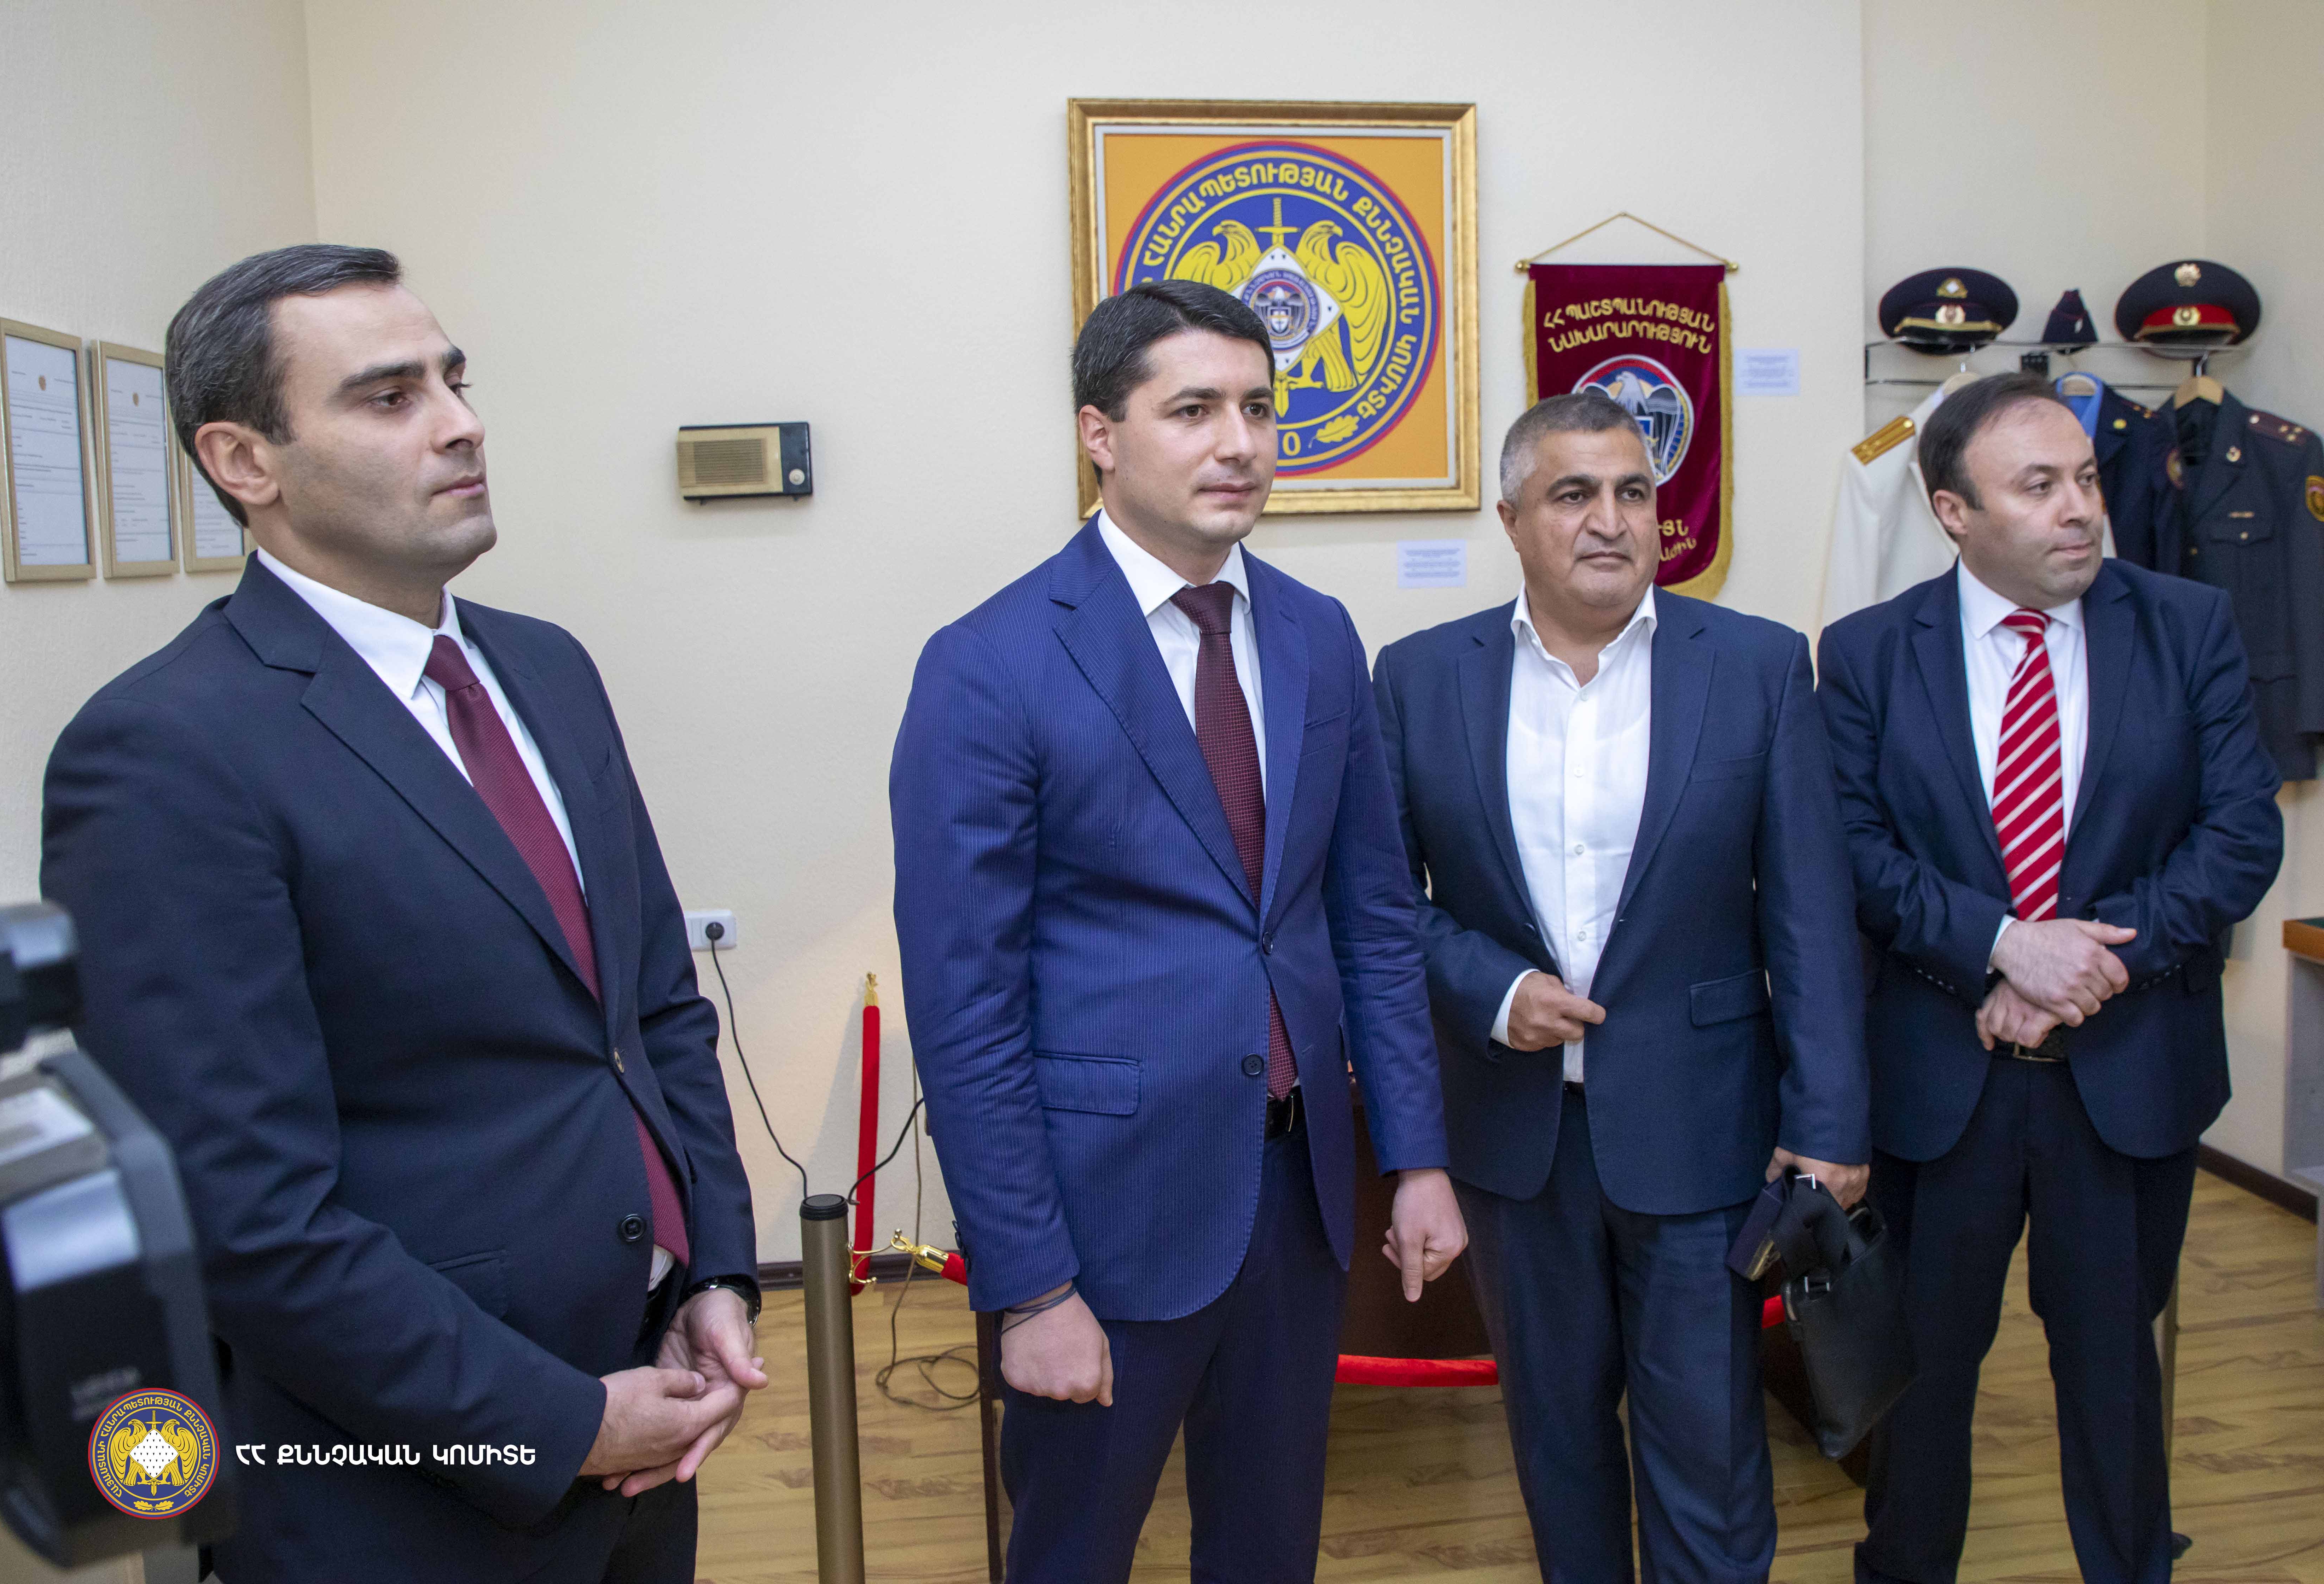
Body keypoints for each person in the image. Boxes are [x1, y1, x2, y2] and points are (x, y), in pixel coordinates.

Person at [40, 245, 763, 1584]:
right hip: (405, 1483)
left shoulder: (547, 667)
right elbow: (241, 1213)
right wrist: (553, 1425)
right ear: (244, 461)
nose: (460, 423)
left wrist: (717, 1272)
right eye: (389, 397)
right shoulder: (164, 752)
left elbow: (655, 1008)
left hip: (650, 1415)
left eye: (454, 380)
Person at [889, 279, 1464, 1582]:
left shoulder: (1319, 636)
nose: (1239, 443)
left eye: (1259, 408)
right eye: (1194, 410)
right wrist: (1031, 1284)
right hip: (1103, 1218)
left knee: (1270, 1550)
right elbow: (966, 1009)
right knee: (1074, 1555)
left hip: (1297, 1199)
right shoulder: (990, 662)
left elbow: (1373, 921)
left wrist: (1418, 1157)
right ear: (1100, 434)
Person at [1372, 391, 1871, 1584]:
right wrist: (1495, 991)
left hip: (1706, 1132)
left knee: (1710, 1455)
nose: (1612, 519)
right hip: (1517, 1139)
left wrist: (1830, 1125)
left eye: (1634, 492)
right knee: (1558, 1448)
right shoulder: (1421, 676)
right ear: (1512, 520)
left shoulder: (1754, 666)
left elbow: (1810, 913)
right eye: (1575, 494)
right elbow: (1384, 907)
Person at [1817, 372, 2284, 1584]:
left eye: (2084, 478)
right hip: (1941, 1079)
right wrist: (1997, 943)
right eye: (2038, 486)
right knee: (1922, 1377)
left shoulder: (2187, 625)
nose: (2080, 507)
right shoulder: (1870, 653)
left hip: (2126, 1077)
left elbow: (2240, 837)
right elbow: (1853, 849)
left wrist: (2077, 965)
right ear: (1954, 512)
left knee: (2114, 1372)